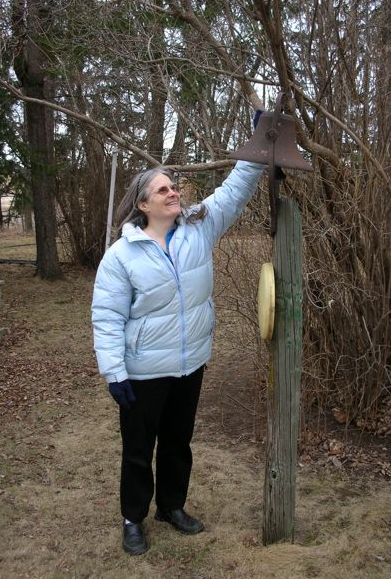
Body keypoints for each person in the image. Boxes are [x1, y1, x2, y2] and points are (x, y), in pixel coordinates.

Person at [92, 130, 263, 555]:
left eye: (174, 186)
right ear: (143, 204)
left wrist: (259, 144)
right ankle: (134, 518)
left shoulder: (198, 228)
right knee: (137, 450)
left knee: (177, 441)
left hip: (189, 364)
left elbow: (235, 190)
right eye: (162, 189)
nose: (173, 193)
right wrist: (115, 372)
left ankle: (172, 507)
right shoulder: (122, 255)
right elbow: (107, 316)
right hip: (143, 371)